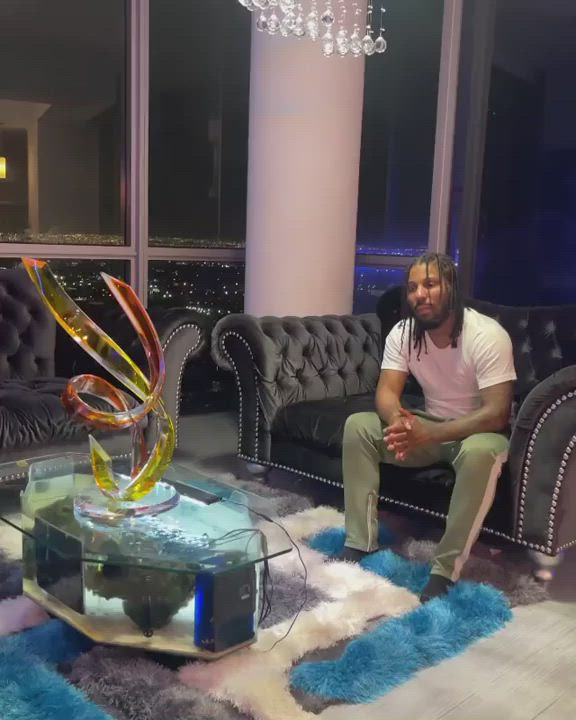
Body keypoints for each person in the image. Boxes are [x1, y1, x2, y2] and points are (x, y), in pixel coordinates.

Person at [340, 253, 517, 601]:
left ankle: (444, 571)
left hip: (478, 434)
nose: (420, 294)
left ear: (451, 287)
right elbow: (387, 392)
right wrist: (400, 424)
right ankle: (360, 542)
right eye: (412, 287)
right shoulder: (404, 332)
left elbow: (497, 414)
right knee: (359, 426)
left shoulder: (487, 335)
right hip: (428, 428)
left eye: (430, 284)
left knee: (481, 452)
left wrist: (429, 433)